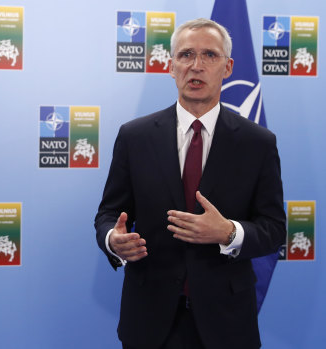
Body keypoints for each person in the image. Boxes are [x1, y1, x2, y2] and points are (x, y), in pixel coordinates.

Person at [95, 18, 285, 349]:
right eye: (185, 55)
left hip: (226, 323)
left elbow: (274, 229)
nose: (196, 66)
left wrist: (228, 233)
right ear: (171, 66)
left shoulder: (258, 143)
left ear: (228, 67)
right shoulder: (135, 137)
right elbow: (110, 213)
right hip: (150, 320)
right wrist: (114, 239)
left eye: (210, 56)